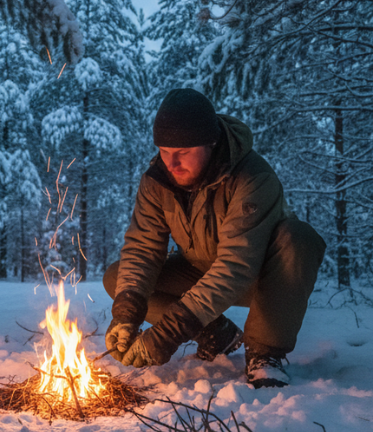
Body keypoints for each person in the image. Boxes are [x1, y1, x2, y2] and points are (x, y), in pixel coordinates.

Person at [103, 88, 326, 388]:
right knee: (119, 279)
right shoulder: (158, 181)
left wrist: (169, 332)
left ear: (210, 143)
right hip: (201, 269)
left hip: (262, 277)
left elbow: (236, 266)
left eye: (182, 153)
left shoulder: (252, 177)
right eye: (164, 151)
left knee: (299, 238)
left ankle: (264, 354)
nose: (171, 163)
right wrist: (126, 315)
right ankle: (215, 334)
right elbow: (142, 248)